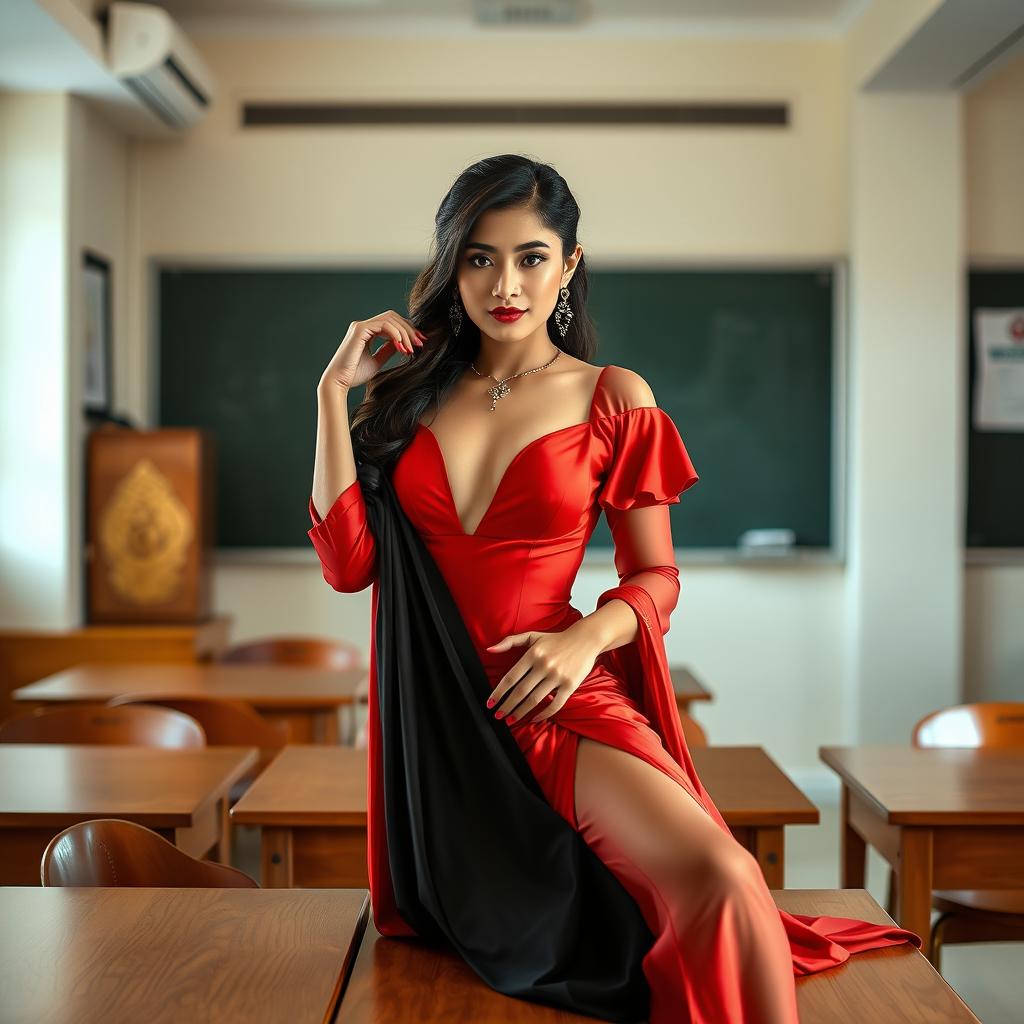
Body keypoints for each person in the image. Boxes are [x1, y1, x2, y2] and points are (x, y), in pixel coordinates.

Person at [308, 154, 921, 1024]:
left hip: (557, 696)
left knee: (724, 877)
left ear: (570, 264)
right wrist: (333, 394)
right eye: (479, 258)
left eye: (530, 256)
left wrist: (585, 639)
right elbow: (348, 566)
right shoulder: (403, 399)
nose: (505, 283)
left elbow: (657, 579)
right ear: (453, 266)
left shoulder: (614, 398)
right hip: (436, 717)